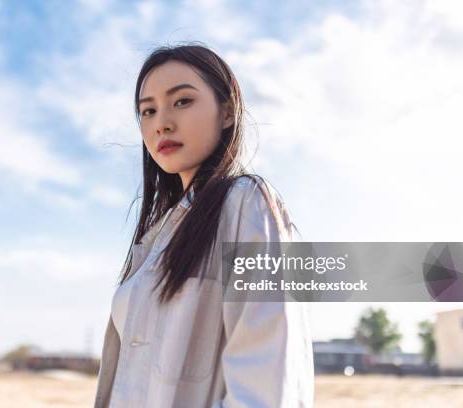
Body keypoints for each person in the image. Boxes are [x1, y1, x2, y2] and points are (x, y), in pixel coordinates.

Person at [94, 42, 314, 408]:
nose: (161, 122)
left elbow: (268, 387)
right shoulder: (158, 236)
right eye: (147, 111)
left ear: (227, 113)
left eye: (181, 101)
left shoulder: (247, 204)